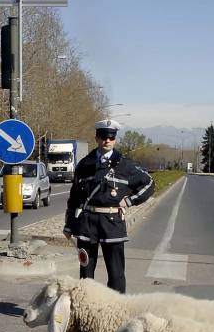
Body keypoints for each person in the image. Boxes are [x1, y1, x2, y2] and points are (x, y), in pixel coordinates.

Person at [63, 119, 154, 293]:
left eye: (111, 137)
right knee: (86, 273)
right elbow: (74, 196)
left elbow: (149, 183)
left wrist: (130, 201)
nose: (107, 140)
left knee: (116, 274)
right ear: (97, 138)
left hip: (112, 224)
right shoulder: (84, 164)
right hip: (87, 223)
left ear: (115, 140)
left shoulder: (125, 165)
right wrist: (69, 224)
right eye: (104, 136)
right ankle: (86, 309)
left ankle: (116, 311)